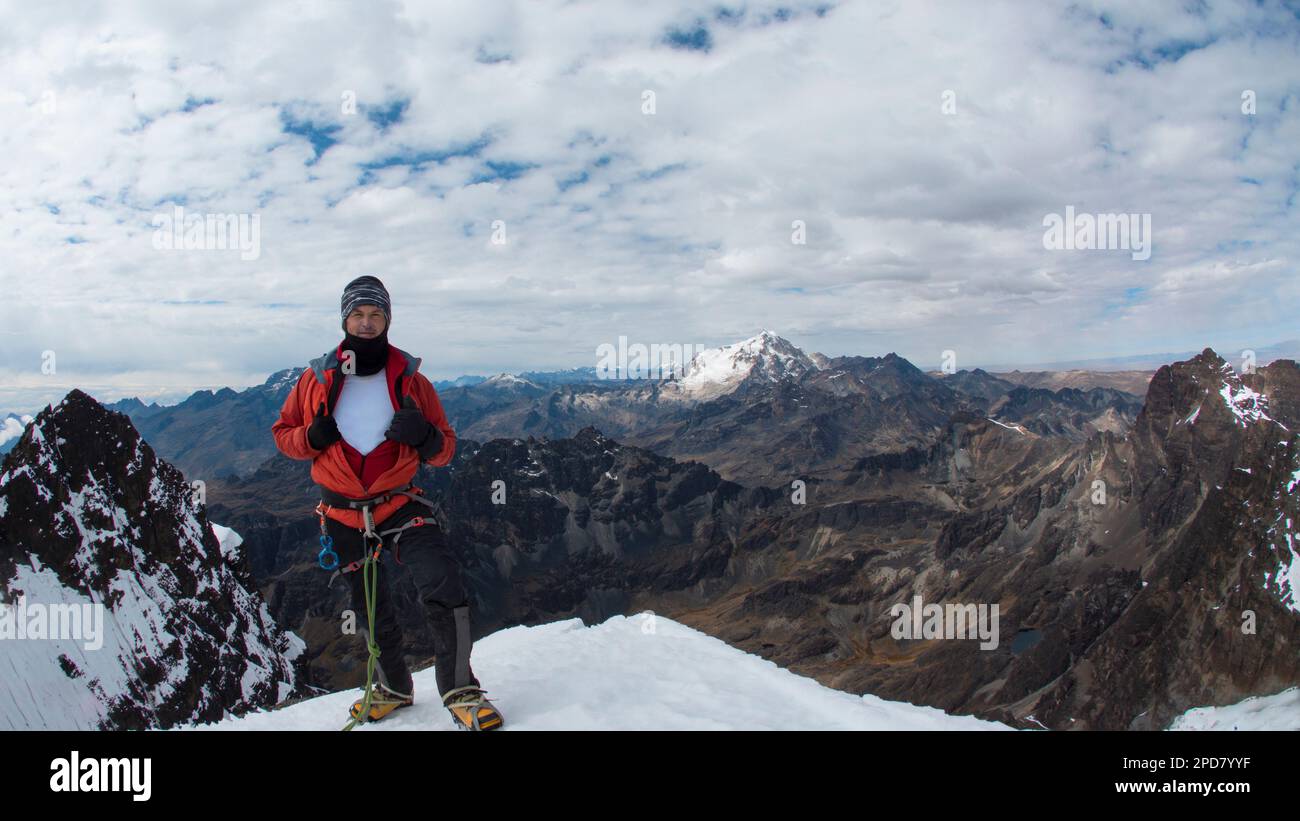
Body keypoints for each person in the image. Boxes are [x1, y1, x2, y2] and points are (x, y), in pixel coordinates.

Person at [271, 275, 502, 731]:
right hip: (341, 511)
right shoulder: (316, 378)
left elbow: (445, 449)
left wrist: (426, 436)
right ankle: (392, 687)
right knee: (369, 605)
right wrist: (310, 437)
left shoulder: (412, 380)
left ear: (388, 319)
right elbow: (283, 435)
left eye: (376, 314)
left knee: (441, 578)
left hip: (399, 502)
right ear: (344, 318)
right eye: (358, 313)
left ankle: (459, 690)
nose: (367, 322)